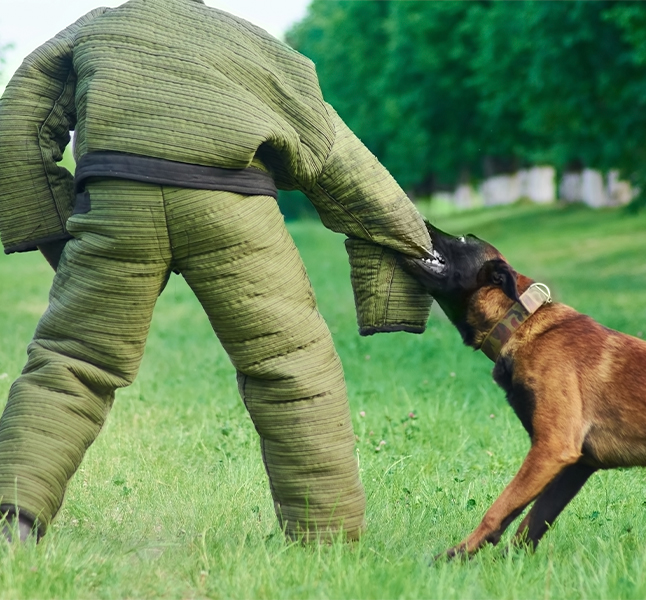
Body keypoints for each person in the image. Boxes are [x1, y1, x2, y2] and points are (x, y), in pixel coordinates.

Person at [0, 0, 434, 543]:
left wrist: (54, 233)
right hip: (232, 202)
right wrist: (410, 242)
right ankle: (327, 542)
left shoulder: (94, 28)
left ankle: (11, 523)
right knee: (292, 366)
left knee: (70, 361)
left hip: (118, 196)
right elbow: (332, 152)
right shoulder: (249, 41)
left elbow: (18, 125)